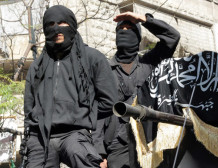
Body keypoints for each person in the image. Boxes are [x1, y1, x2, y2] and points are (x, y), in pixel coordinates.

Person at [23, 5, 117, 168]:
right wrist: (27, 142)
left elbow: (109, 101)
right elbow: (28, 107)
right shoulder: (37, 66)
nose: (57, 28)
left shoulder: (92, 58)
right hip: (41, 136)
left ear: (72, 25)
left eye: (62, 22)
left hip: (75, 134)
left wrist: (82, 113)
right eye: (50, 24)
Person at [92, 11, 180, 168]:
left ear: (138, 36)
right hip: (117, 145)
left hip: (149, 141)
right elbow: (99, 112)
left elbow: (172, 37)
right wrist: (99, 153)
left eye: (130, 28)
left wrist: (144, 20)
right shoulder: (104, 70)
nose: (125, 32)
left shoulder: (150, 62)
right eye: (121, 29)